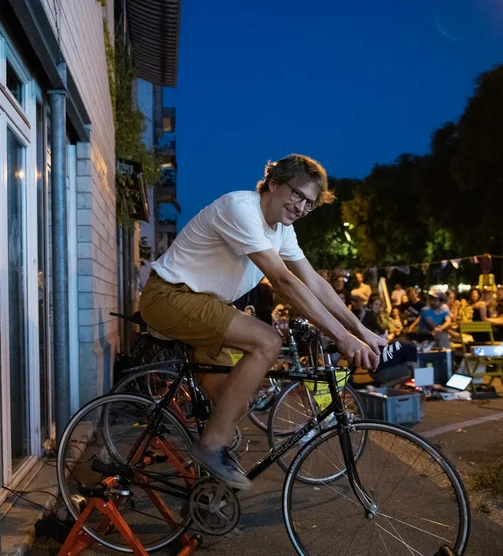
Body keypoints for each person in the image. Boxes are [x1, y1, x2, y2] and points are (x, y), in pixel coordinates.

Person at [138, 154, 384, 488]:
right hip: (169, 297)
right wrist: (341, 338)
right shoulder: (241, 208)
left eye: (310, 204)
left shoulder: (283, 230)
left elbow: (314, 283)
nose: (301, 207)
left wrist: (363, 331)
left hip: (202, 304)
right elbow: (283, 282)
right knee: (268, 341)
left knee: (235, 398)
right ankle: (211, 447)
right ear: (274, 183)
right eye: (298, 195)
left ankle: (208, 493)